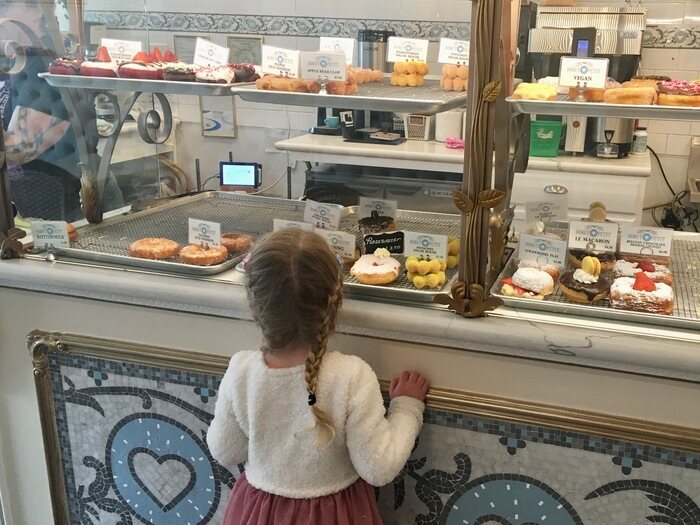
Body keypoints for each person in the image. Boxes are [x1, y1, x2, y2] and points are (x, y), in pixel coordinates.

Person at [207, 229, 429, 524]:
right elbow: (378, 467)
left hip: (259, 514)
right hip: (337, 515)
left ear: (255, 305)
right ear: (334, 303)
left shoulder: (241, 371)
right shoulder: (352, 376)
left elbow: (225, 450)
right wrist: (407, 409)